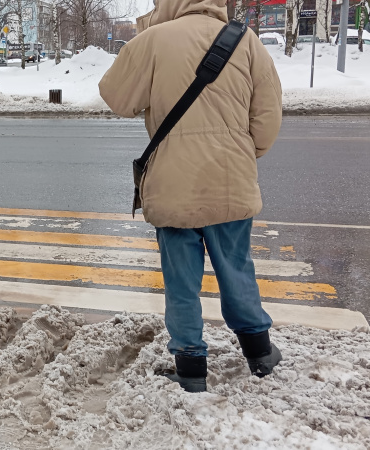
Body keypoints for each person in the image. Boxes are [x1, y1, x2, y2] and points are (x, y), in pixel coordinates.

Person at [98, 0, 283, 393]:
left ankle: (191, 369)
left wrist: (148, 31)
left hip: (172, 182)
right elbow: (266, 119)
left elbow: (116, 96)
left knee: (181, 282)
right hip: (231, 179)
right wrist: (243, 155)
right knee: (237, 268)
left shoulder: (153, 40)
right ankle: (260, 354)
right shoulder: (246, 41)